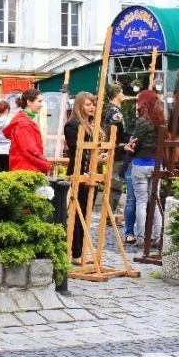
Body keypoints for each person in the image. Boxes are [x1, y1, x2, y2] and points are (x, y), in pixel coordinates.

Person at [64, 92, 102, 266]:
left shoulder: (92, 124)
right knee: (76, 213)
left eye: (93, 104)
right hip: (79, 171)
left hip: (92, 172)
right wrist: (95, 156)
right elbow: (77, 149)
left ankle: (81, 249)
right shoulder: (73, 125)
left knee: (86, 213)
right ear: (80, 105)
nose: (92, 107)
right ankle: (76, 252)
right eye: (88, 104)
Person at [124, 90, 166, 248]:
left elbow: (136, 144)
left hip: (141, 164)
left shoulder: (142, 122)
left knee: (141, 202)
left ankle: (140, 238)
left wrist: (128, 147)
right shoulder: (162, 121)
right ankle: (157, 238)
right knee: (154, 202)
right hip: (156, 164)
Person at [3, 88, 51, 174]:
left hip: (26, 168)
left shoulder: (25, 121)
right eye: (39, 101)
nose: (41, 105)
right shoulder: (23, 123)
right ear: (29, 102)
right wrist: (45, 165)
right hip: (26, 170)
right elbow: (30, 150)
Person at [101, 83, 128, 214]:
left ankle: (109, 212)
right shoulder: (114, 111)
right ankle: (109, 213)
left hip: (113, 147)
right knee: (115, 181)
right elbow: (114, 130)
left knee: (114, 180)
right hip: (117, 148)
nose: (123, 95)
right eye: (122, 92)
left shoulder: (107, 108)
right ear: (117, 94)